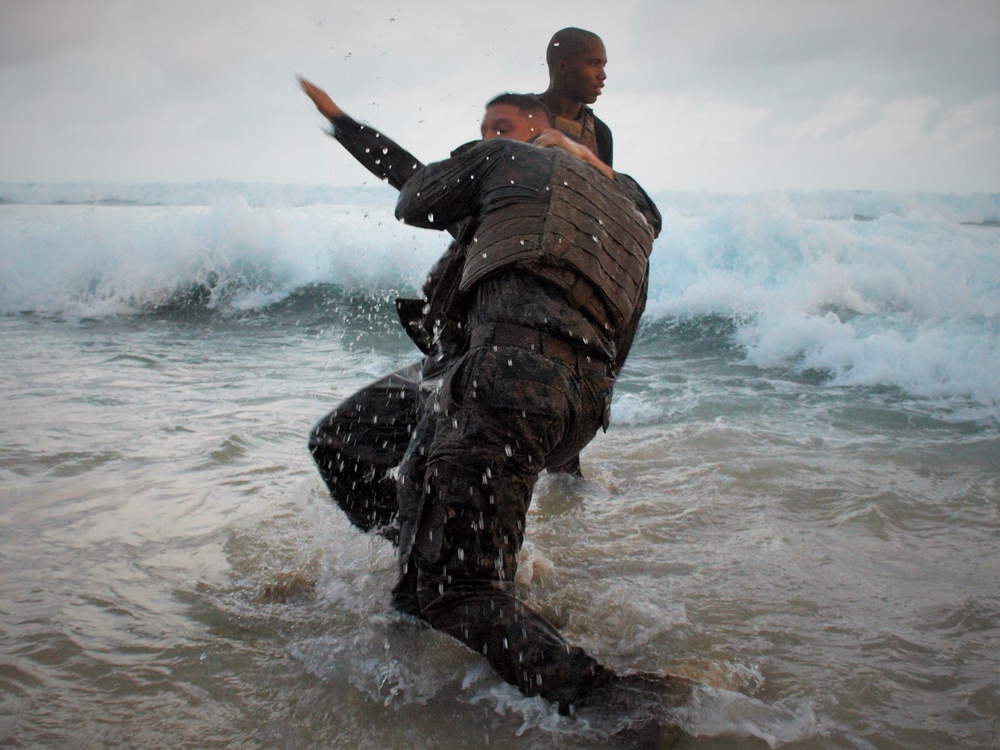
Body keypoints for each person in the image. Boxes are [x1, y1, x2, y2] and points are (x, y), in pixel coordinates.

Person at [390, 99, 693, 731]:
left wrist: (483, 166)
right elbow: (624, 330)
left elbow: (414, 200)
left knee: (461, 591)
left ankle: (616, 704)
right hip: (579, 401)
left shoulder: (506, 158)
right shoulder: (633, 209)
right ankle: (411, 623)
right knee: (425, 488)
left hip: (507, 377)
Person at [301, 80, 608, 538]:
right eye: (484, 129)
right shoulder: (483, 198)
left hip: (510, 380)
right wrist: (343, 123)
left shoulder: (574, 209)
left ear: (540, 134)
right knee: (336, 442)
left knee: (444, 495)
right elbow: (407, 174)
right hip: (452, 365)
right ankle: (404, 543)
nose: (489, 138)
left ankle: (432, 565)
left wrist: (578, 154)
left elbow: (630, 210)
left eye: (503, 128)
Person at [535, 27, 613, 167]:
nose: (602, 75)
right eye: (593, 63)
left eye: (603, 65)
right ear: (563, 67)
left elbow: (605, 187)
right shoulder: (518, 118)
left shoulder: (599, 133)